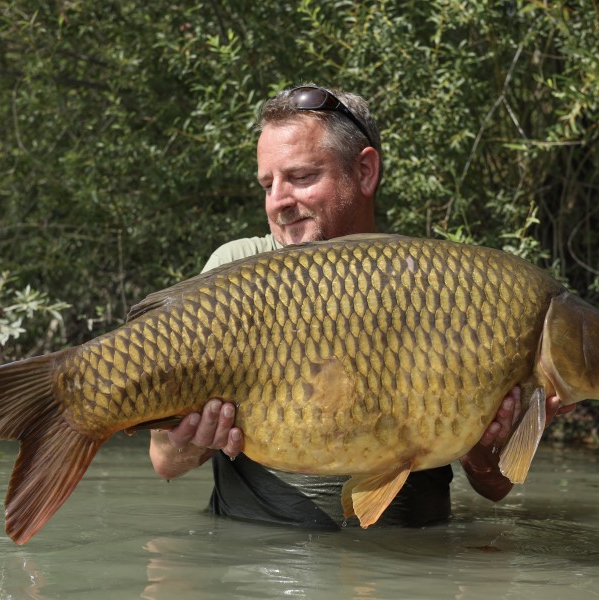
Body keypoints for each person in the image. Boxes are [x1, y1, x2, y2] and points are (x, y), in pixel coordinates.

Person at [149, 84, 573, 528]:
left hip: (414, 557)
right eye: (267, 184)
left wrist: (487, 448)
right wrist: (192, 441)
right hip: (257, 551)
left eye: (300, 177)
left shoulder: (441, 283)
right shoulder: (233, 274)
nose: (278, 202)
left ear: (365, 172)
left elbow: (494, 487)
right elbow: (164, 462)